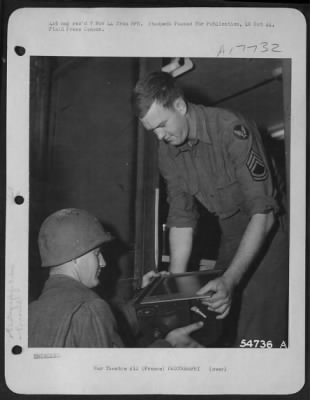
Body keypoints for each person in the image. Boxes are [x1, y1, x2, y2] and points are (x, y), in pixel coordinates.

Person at [132, 71, 288, 347]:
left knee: (258, 329)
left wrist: (230, 279)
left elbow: (264, 215)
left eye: (163, 125)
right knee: (215, 317)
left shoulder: (231, 129)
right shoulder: (167, 153)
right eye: (152, 130)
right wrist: (175, 285)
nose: (160, 136)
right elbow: (181, 218)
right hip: (230, 231)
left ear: (180, 106)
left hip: (271, 228)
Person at [29, 208, 203, 348]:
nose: (103, 262)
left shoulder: (32, 312)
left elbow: (105, 327)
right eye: (97, 254)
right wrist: (169, 345)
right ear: (76, 257)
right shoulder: (90, 307)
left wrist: (143, 295)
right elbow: (116, 379)